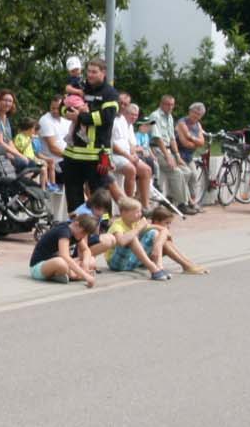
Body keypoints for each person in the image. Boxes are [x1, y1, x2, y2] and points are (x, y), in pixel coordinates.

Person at [59, 58, 120, 210]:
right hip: (73, 154)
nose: (90, 75)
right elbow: (61, 107)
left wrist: (80, 117)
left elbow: (106, 117)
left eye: (94, 72)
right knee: (73, 195)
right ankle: (77, 226)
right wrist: (68, 113)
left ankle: (103, 227)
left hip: (99, 155)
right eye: (89, 71)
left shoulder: (110, 93)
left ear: (103, 73)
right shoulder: (80, 87)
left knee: (100, 194)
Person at [102, 197, 172, 281]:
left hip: (130, 260)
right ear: (124, 213)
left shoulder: (136, 223)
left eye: (140, 211)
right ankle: (153, 269)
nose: (140, 214)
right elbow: (121, 242)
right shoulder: (117, 225)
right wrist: (138, 229)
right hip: (116, 263)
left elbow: (163, 230)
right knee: (132, 238)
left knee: (153, 233)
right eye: (136, 212)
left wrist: (157, 246)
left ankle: (159, 267)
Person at [28, 210, 98, 286]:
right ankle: (72, 275)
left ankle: (68, 274)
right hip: (39, 267)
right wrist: (85, 275)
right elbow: (65, 257)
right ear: (76, 224)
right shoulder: (64, 231)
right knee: (61, 263)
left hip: (59, 262)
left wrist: (85, 264)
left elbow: (86, 250)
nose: (84, 236)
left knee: (91, 260)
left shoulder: (76, 233)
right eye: (83, 233)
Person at [175, 103, 209, 212]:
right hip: (178, 155)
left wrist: (191, 137)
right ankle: (184, 203)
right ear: (189, 111)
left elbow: (202, 142)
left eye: (199, 114)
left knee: (194, 177)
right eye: (194, 112)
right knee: (186, 175)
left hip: (189, 156)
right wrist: (196, 141)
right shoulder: (182, 123)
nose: (196, 115)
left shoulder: (198, 125)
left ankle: (193, 202)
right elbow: (185, 143)